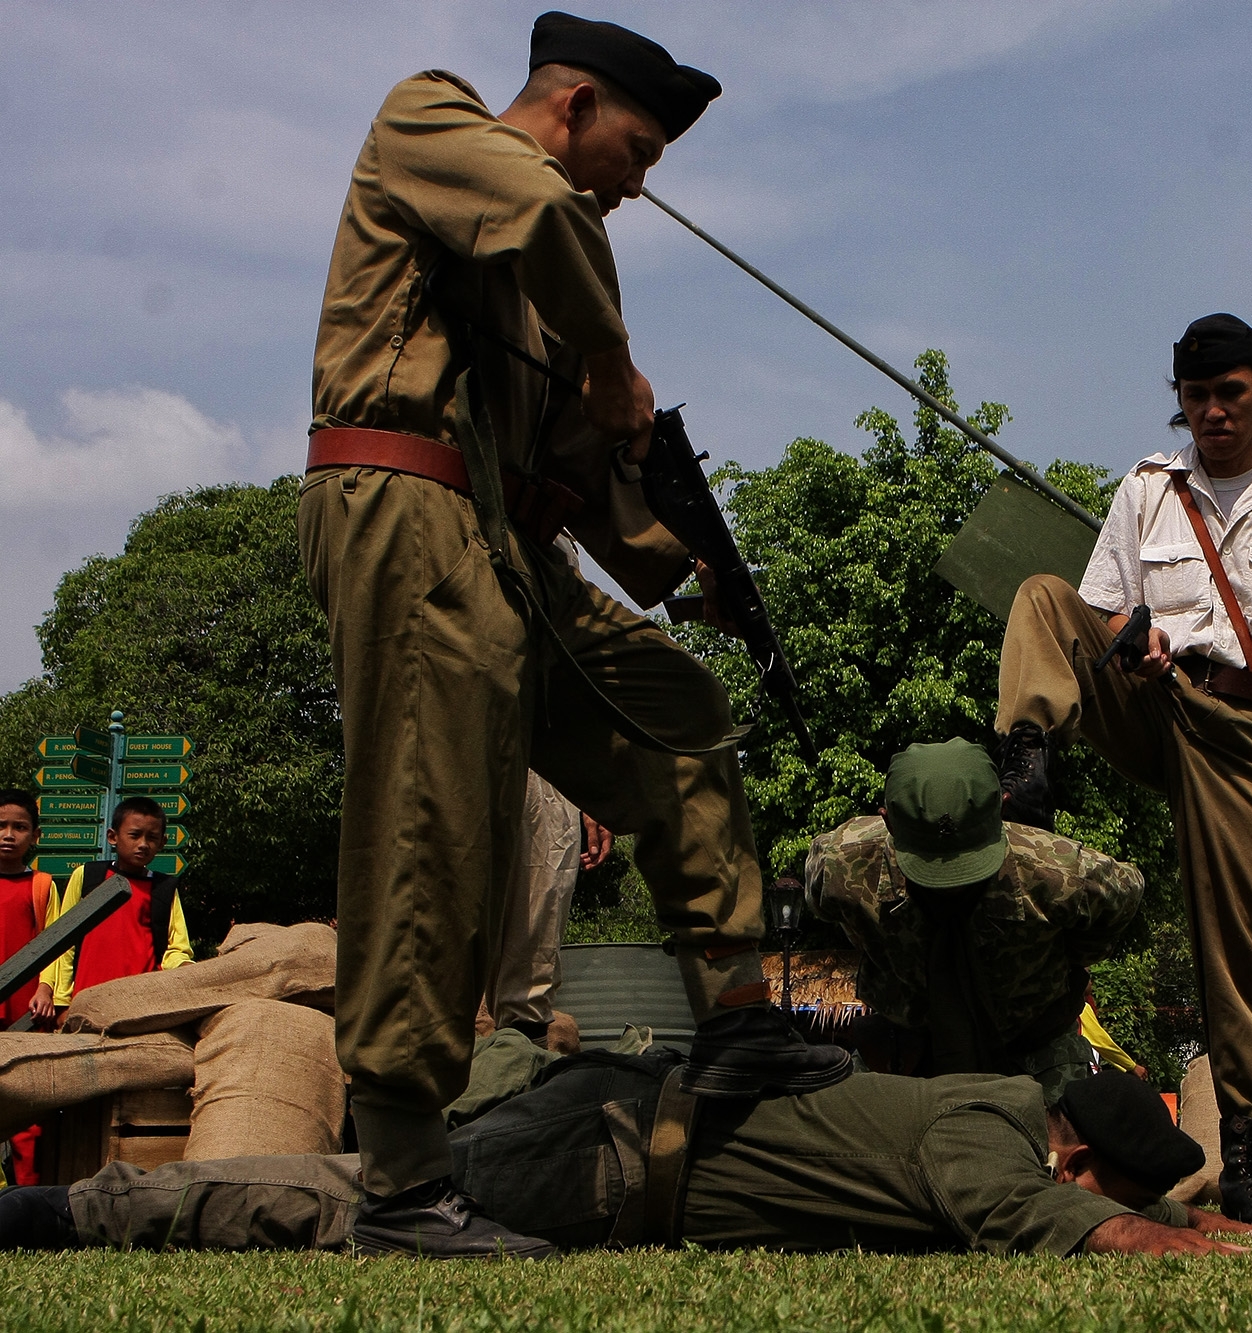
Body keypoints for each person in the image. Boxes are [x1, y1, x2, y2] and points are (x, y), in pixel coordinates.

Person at [301, 11, 846, 1256]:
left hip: (502, 541)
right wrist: (612, 359)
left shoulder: (558, 279)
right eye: (639, 151)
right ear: (574, 105)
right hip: (404, 502)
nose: (639, 185)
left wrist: (681, 567)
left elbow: (574, 470)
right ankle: (399, 1181)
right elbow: (547, 223)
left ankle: (737, 1019)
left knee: (679, 711)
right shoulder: (427, 119)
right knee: (433, 820)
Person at [992, 313, 1252, 1227]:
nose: (1214, 412)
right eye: (1197, 396)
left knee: (1238, 949)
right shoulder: (1147, 488)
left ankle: (1249, 1162)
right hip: (1151, 698)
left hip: (1242, 731)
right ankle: (1025, 764)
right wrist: (1132, 646)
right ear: (1178, 402)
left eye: (1231, 392)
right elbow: (1100, 612)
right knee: (1039, 596)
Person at [0, 1065, 1252, 1258]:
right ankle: (54, 1214)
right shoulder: (981, 1132)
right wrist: (1165, 1240)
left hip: (604, 1137)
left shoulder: (991, 1099)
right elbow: (1030, 1216)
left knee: (348, 1181)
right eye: (1097, 1180)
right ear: (1073, 1148)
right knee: (338, 1207)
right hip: (596, 1161)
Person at [806, 739, 1142, 1101]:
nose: (950, 886)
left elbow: (1127, 893)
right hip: (901, 1052)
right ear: (885, 820)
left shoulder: (1059, 871)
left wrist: (1070, 958)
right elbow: (825, 908)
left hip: (1033, 1050)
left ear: (1003, 808)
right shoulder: (842, 865)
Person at [483, 770, 610, 1047]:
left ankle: (520, 1072)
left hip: (542, 771)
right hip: (444, 757)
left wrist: (592, 798)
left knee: (531, 970)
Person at [45, 796, 192, 1013]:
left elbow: (177, 948)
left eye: (152, 837)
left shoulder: (164, 888)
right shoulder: (87, 876)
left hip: (139, 1006)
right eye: (134, 835)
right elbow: (64, 941)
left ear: (162, 842)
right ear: (113, 837)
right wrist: (62, 1001)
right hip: (84, 1001)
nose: (143, 844)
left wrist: (187, 969)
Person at [0, 788, 56, 1184]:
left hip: (26, 1008)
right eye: (1, 825)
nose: (8, 834)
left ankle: (26, 1197)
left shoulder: (42, 885)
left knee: (26, 1108)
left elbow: (54, 942)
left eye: (19, 827)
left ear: (35, 836)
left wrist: (47, 989)